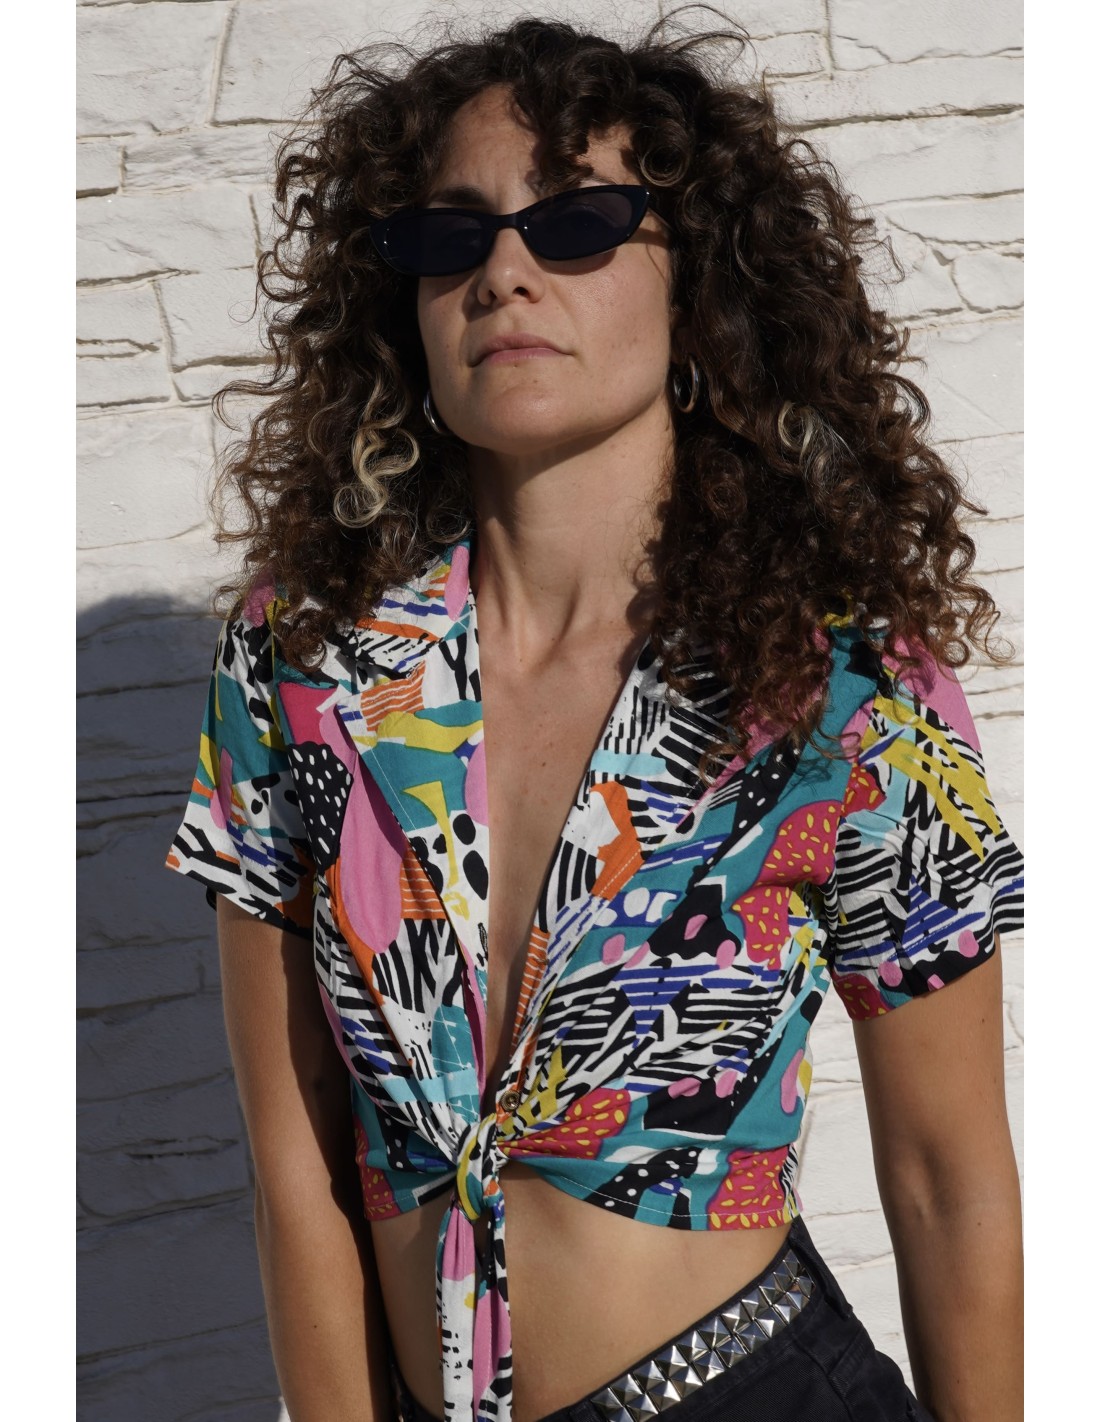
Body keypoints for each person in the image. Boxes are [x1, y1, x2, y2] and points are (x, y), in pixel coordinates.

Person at [166, 14, 1024, 1422]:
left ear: (703, 290)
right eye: (453, 235)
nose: (503, 271)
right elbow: (298, 1150)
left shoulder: (847, 681)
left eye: (577, 224)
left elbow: (947, 1177)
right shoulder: (302, 660)